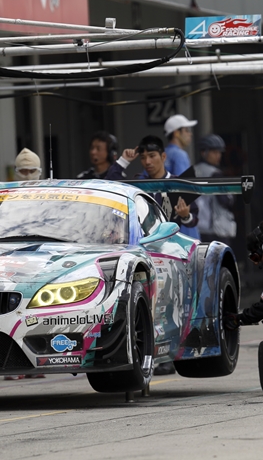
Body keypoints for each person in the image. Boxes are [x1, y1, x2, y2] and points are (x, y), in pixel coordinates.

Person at [108, 135, 197, 376]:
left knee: (172, 307)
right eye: (144, 157)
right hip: (144, 253)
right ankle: (149, 354)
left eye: (152, 156)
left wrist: (186, 215)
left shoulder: (178, 184)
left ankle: (169, 355)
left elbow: (193, 218)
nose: (147, 161)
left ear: (163, 156)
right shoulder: (137, 185)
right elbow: (109, 185)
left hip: (171, 254)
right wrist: (123, 162)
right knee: (148, 306)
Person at [193, 134, 237, 244]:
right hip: (216, 229)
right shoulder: (214, 173)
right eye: (214, 152)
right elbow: (225, 200)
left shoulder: (192, 171)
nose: (218, 155)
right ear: (203, 152)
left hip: (198, 227)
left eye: (219, 152)